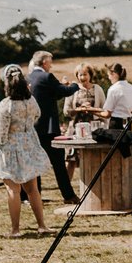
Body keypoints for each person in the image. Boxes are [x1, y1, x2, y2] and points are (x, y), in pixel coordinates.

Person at [0, 65, 52, 236]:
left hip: (10, 149)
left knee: (13, 190)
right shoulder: (31, 101)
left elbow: (1, 135)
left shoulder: (5, 106)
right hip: (29, 145)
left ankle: (15, 229)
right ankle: (42, 225)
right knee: (33, 189)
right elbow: (38, 115)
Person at [27, 52, 80, 205]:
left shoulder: (29, 78)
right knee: (58, 164)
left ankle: (32, 196)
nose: (51, 65)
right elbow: (64, 92)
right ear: (44, 62)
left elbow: (51, 95)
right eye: (50, 62)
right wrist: (74, 85)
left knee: (34, 164)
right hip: (48, 129)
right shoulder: (46, 77)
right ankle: (69, 195)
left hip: (33, 128)